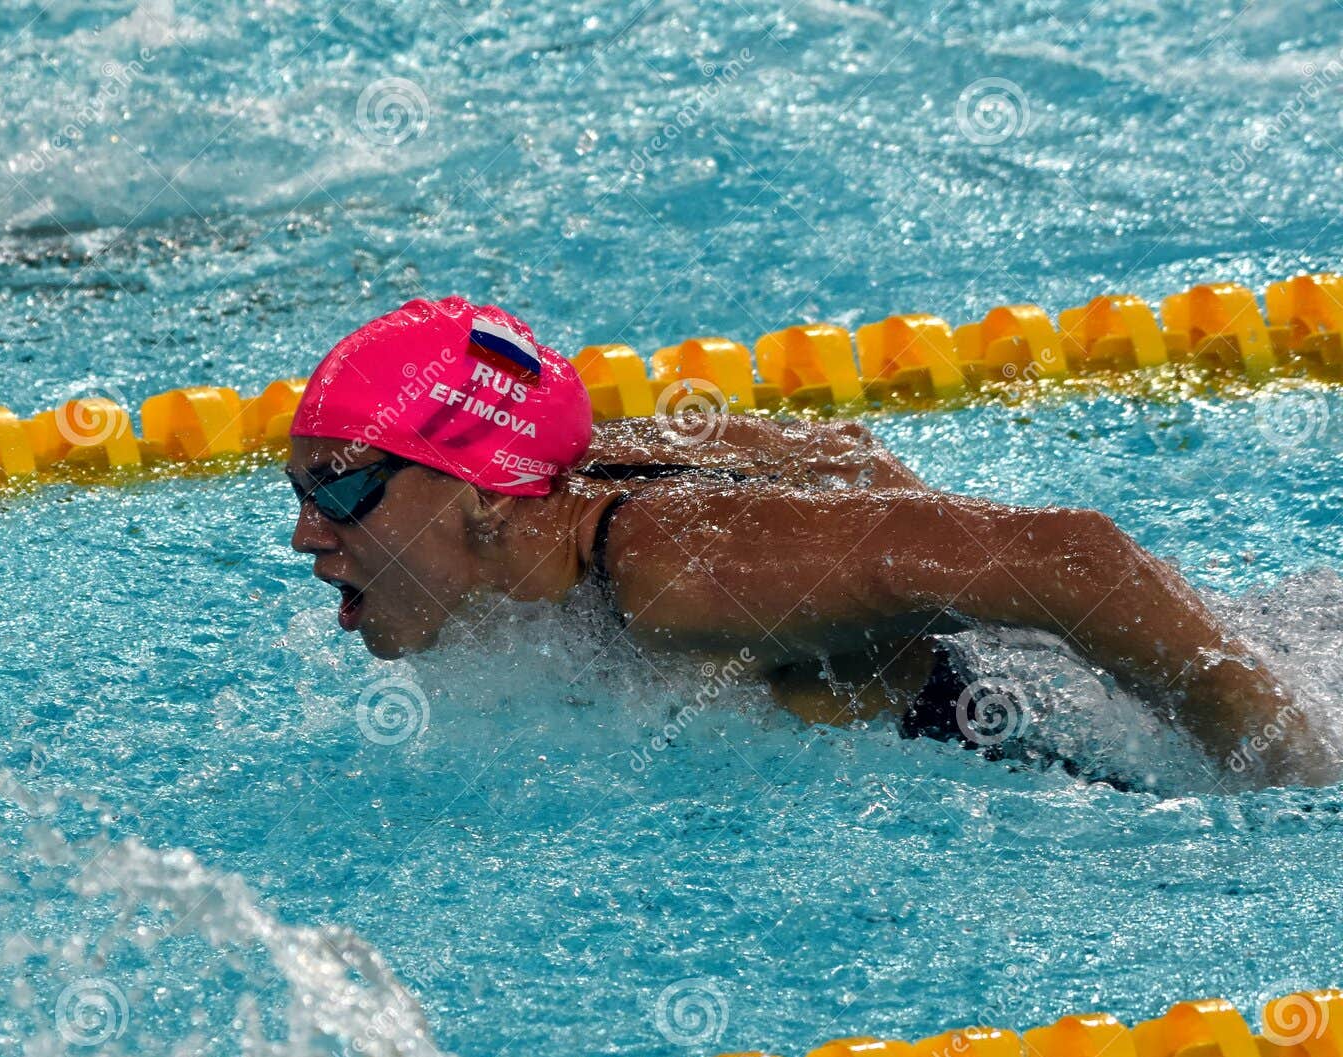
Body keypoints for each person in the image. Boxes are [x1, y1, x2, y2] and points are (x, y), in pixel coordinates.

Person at [286, 295, 1337, 788]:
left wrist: (1291, 775)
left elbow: (1076, 557)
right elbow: (840, 453)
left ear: (480, 495)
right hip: (1144, 649)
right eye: (300, 490)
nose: (304, 535)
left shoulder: (672, 572)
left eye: (341, 491)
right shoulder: (564, 475)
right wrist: (870, 623)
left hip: (1072, 733)